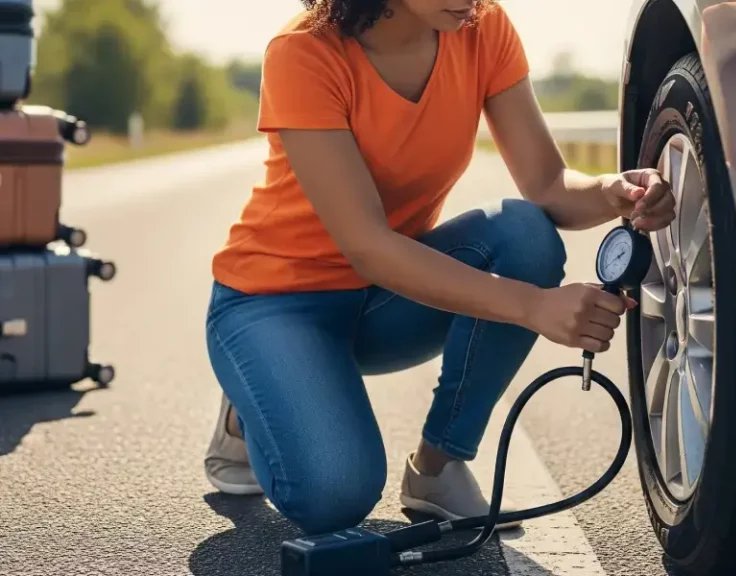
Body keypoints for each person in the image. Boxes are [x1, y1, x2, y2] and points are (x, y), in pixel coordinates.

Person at [203, 0, 676, 537]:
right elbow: (369, 246)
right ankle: (251, 402)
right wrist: (533, 306)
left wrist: (613, 192)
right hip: (275, 302)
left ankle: (438, 466)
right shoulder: (304, 53)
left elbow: (547, 186)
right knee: (336, 494)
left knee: (524, 232)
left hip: (385, 301)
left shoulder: (482, 26)